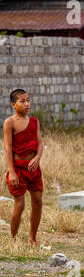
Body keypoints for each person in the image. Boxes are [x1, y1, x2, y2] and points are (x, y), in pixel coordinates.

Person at [3, 89, 44, 246]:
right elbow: (7, 148)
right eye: (22, 101)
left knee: (38, 201)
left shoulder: (34, 121)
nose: (27, 104)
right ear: (13, 104)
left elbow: (40, 143)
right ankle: (13, 239)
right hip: (18, 168)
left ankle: (32, 238)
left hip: (33, 168)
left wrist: (37, 158)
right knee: (19, 204)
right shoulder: (10, 123)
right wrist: (11, 172)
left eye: (28, 100)